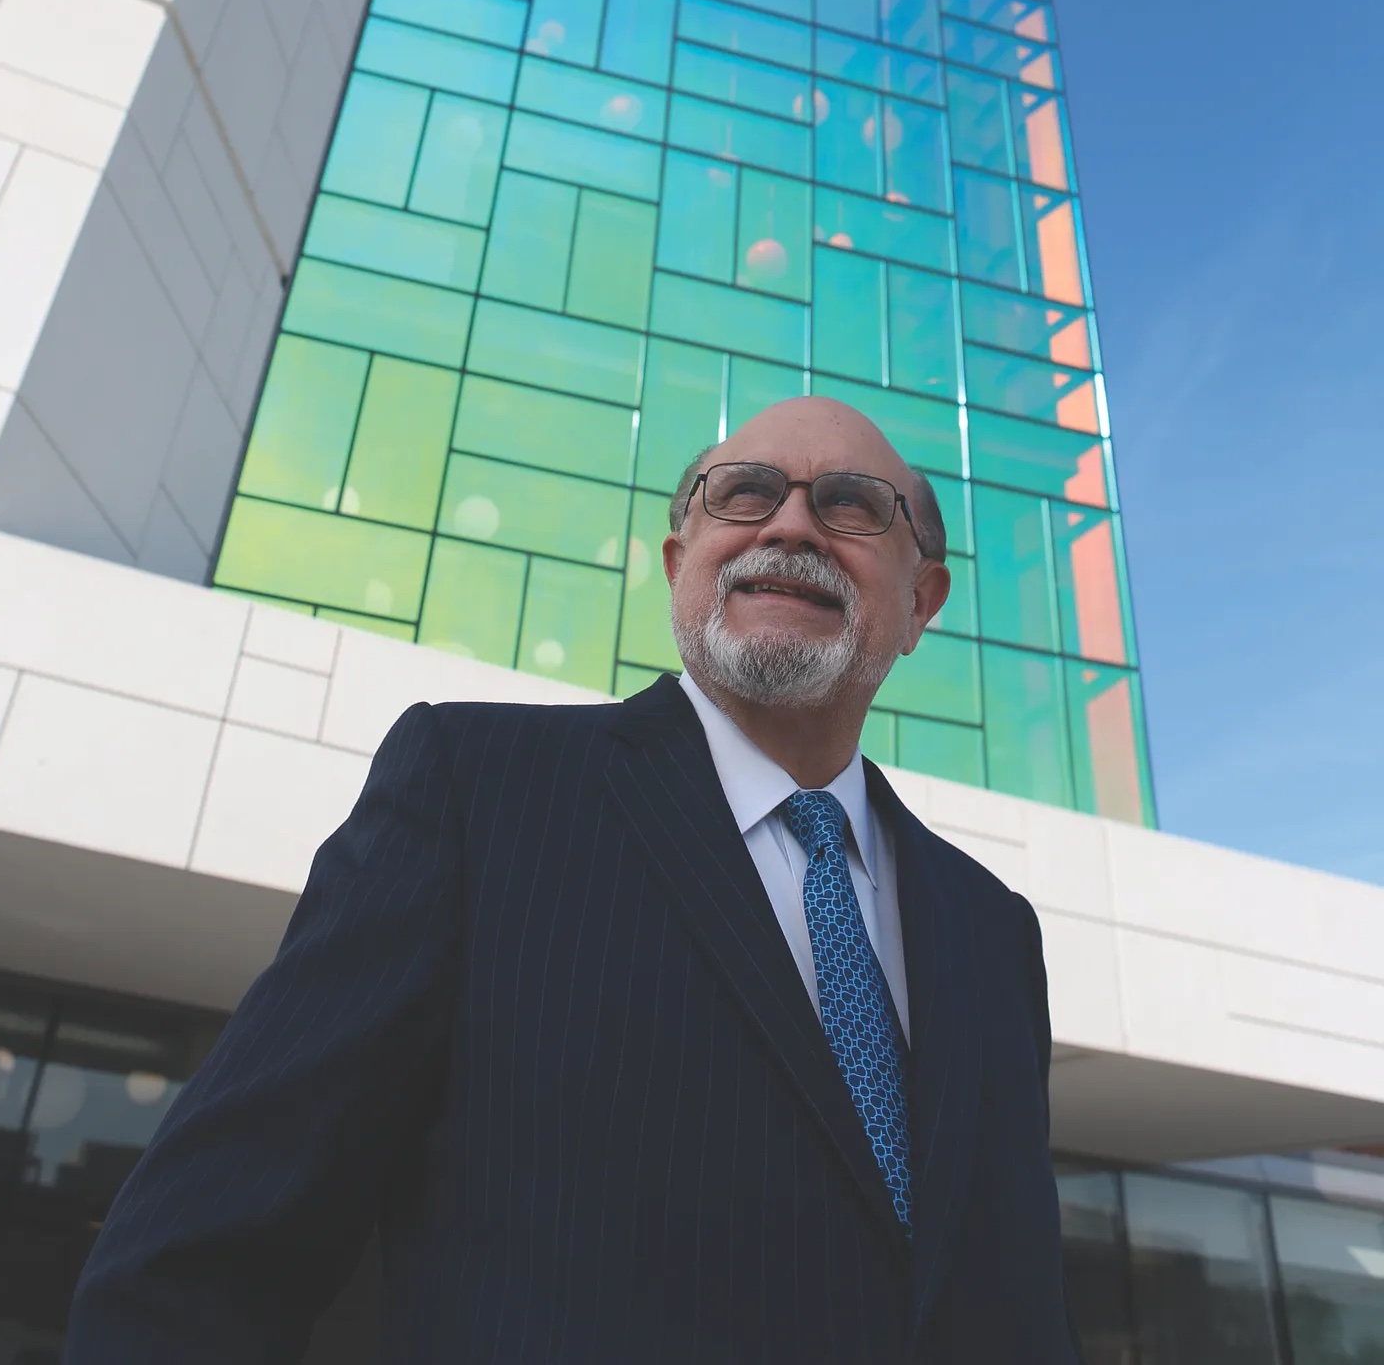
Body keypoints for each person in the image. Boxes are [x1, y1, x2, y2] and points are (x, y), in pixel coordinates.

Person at [65, 395, 1078, 1363]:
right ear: (683, 564)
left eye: (851, 504)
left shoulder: (992, 931)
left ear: (921, 601)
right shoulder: (472, 790)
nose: (794, 524)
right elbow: (203, 1258)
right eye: (745, 492)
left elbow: (1015, 1307)